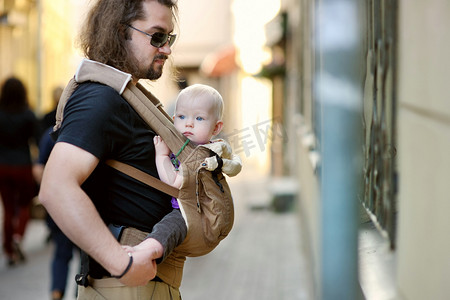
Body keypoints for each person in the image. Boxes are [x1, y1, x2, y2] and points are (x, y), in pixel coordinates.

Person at [39, 1, 187, 299]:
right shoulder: (100, 99)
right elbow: (56, 187)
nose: (167, 49)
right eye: (157, 36)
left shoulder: (122, 96)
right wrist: (121, 263)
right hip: (125, 287)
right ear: (121, 32)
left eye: (169, 38)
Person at [154, 84, 241, 197]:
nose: (188, 123)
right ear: (173, 120)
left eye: (199, 118)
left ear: (216, 128)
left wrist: (161, 156)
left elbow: (173, 184)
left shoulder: (200, 155)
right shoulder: (184, 146)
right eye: (182, 117)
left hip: (191, 213)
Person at [0, 77, 39, 266]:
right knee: (24, 205)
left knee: (8, 209)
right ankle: (17, 237)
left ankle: (8, 250)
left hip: (3, 166)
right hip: (23, 165)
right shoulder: (28, 114)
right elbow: (37, 140)